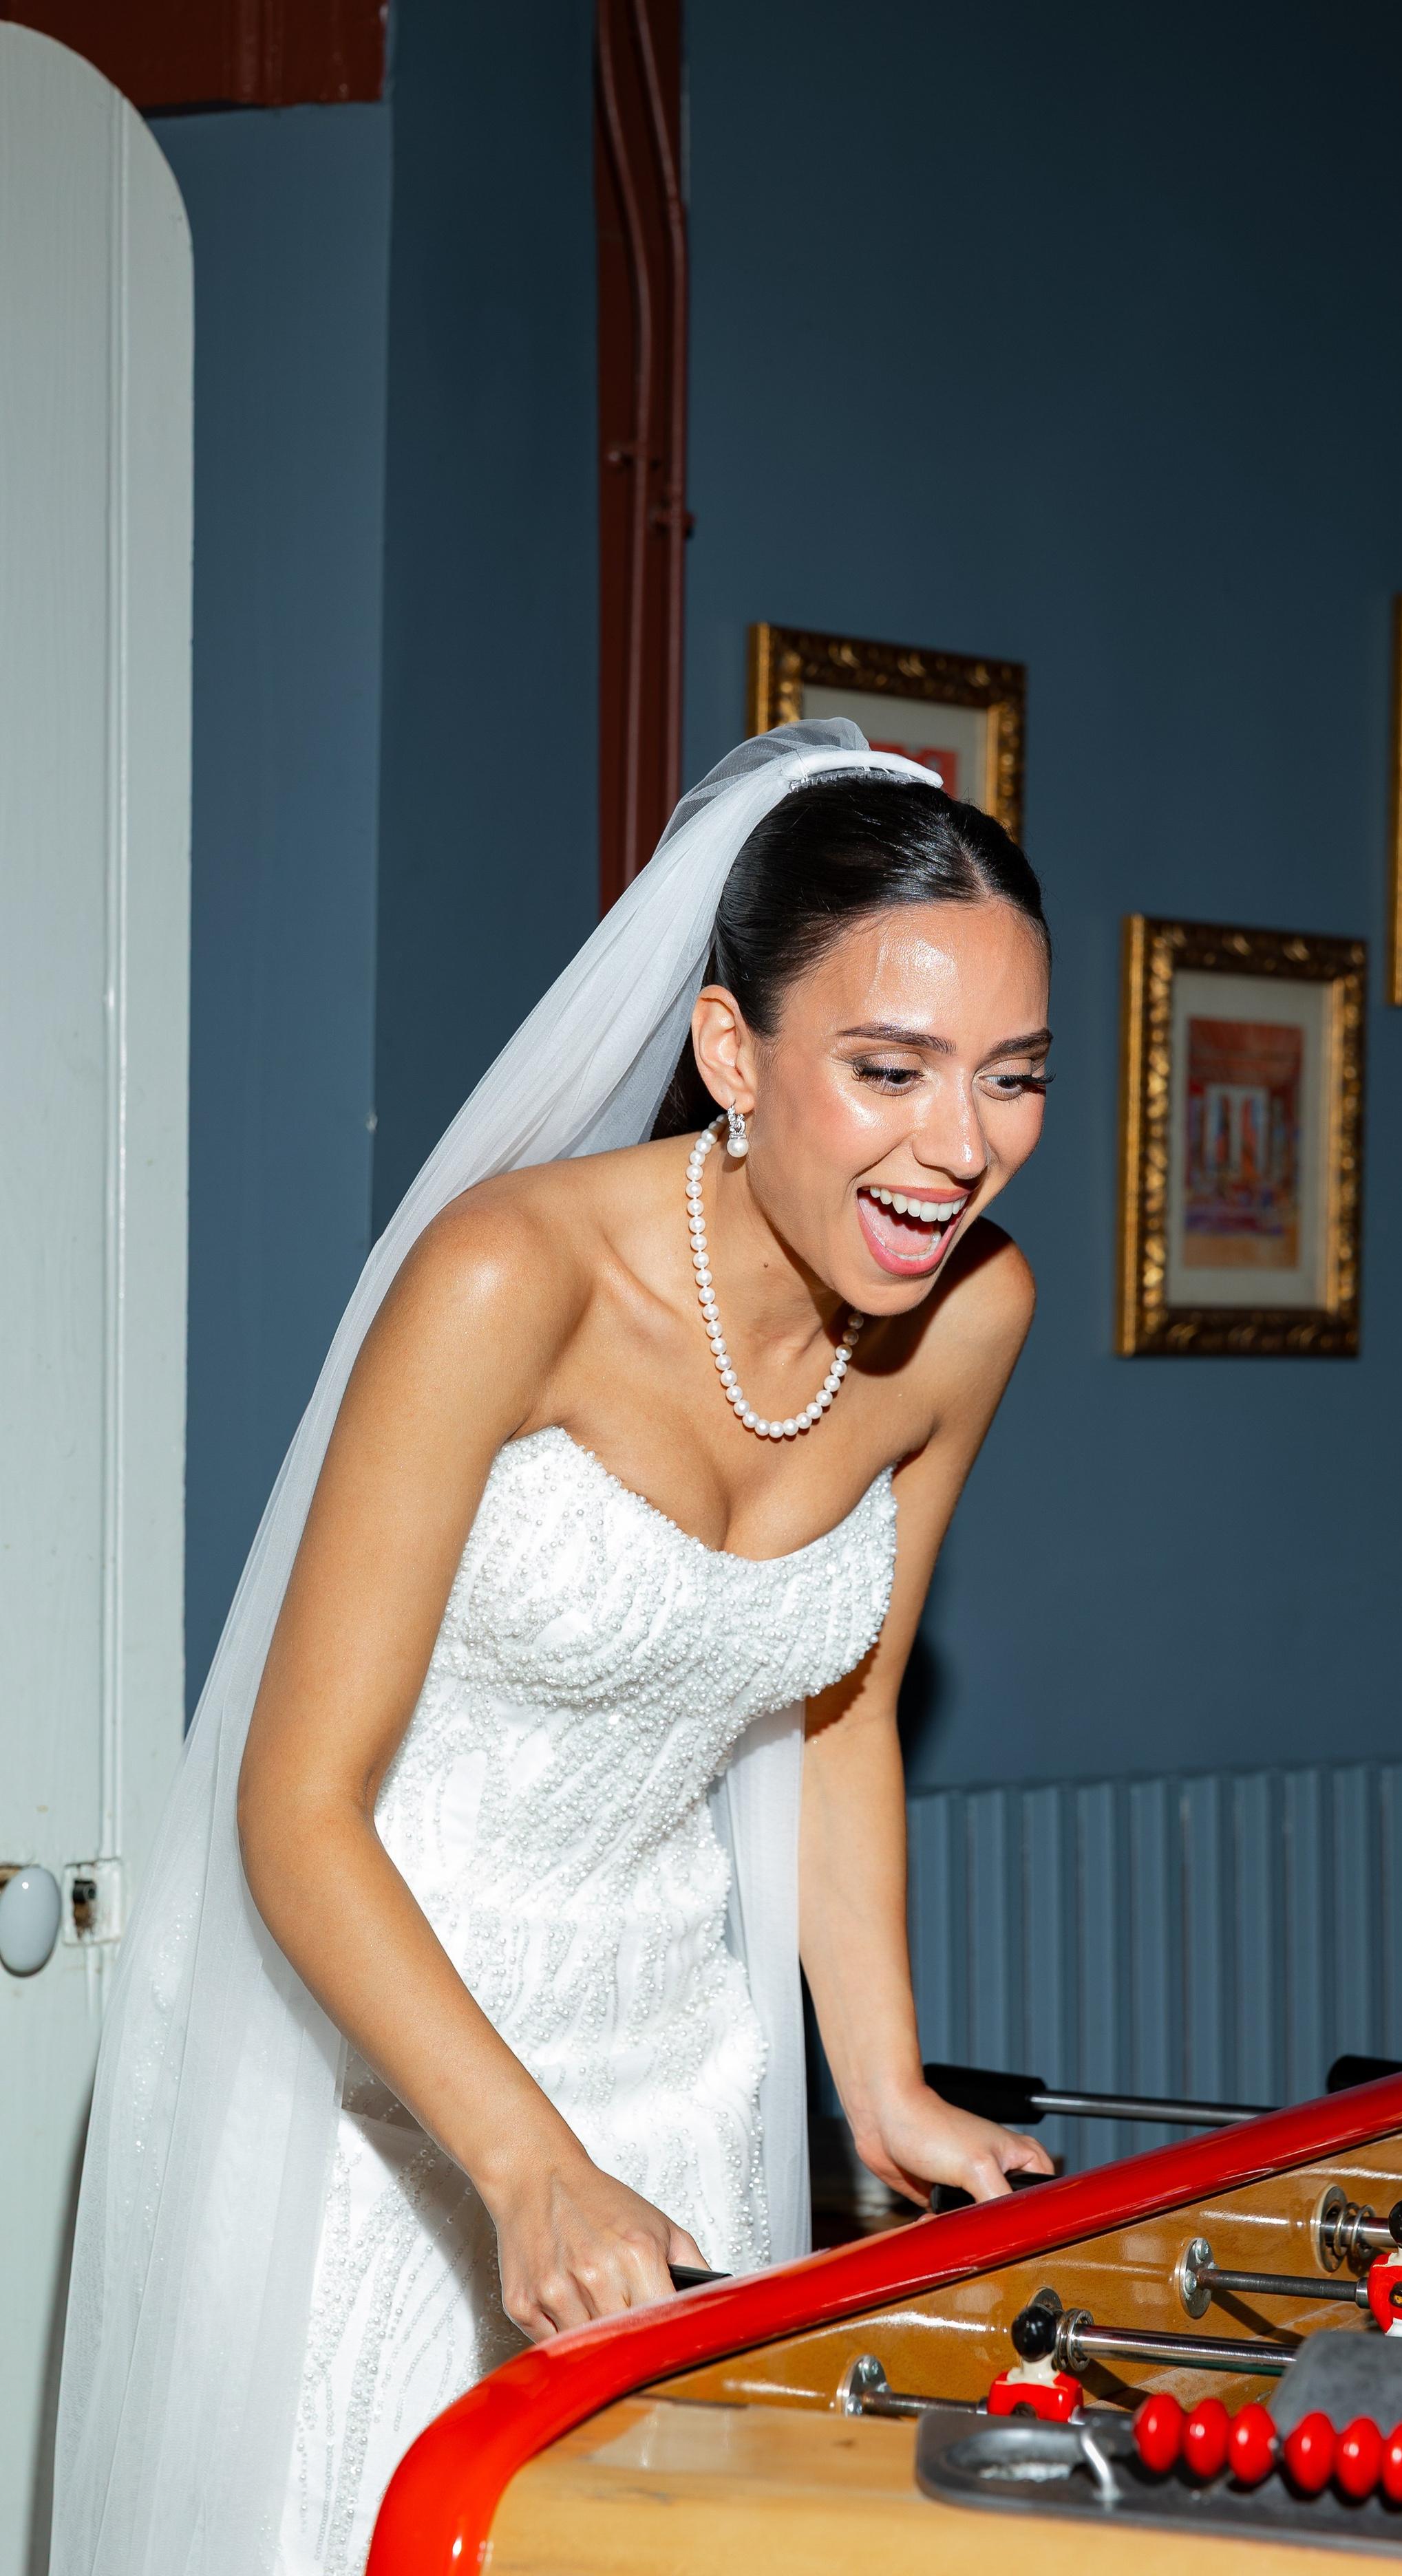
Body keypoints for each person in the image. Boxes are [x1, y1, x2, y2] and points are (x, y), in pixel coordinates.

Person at [52, 726, 1056, 2576]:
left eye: (1012, 1078)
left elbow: (841, 1705)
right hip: (381, 2091)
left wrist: (886, 2076)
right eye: (891, 1070)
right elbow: (300, 1800)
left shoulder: (972, 1317)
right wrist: (517, 2165)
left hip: (676, 2073)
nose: (963, 1145)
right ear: (733, 1054)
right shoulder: (509, 1277)